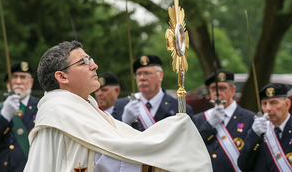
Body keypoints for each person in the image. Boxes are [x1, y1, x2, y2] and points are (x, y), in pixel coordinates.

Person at [23, 41, 212, 172]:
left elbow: (114, 151)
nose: (94, 65)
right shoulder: (60, 111)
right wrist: (171, 142)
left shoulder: (84, 107)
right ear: (62, 77)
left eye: (92, 59)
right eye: (85, 62)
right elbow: (110, 159)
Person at [238, 83, 292, 172]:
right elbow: (244, 165)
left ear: (287, 104)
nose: (268, 108)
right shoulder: (258, 131)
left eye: (274, 103)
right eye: (264, 103)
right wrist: (254, 135)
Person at [193, 69, 255, 172]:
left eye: (222, 88)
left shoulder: (249, 119)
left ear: (233, 90)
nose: (217, 93)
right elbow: (193, 148)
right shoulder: (199, 119)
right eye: (213, 88)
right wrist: (209, 125)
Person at [112, 54, 193, 131]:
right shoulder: (121, 105)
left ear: (160, 75)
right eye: (138, 74)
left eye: (147, 73)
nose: (142, 78)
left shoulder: (180, 108)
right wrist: (124, 122)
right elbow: (111, 139)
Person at [0, 61, 40, 172]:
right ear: (8, 83)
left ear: (31, 82)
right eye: (14, 77)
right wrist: (4, 117)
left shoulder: (41, 108)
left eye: (23, 77)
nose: (18, 82)